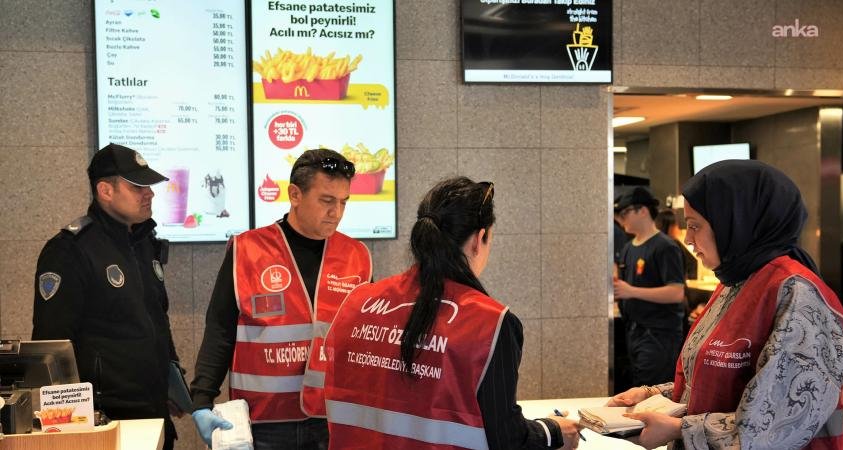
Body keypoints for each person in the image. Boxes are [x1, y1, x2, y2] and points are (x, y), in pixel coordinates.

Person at [322, 177, 584, 449]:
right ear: (479, 239)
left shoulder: (356, 302)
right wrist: (552, 431)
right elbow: (507, 439)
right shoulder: (490, 324)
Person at [608, 160, 843, 450]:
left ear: (737, 222)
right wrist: (654, 396)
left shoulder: (796, 294)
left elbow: (775, 424)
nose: (687, 238)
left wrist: (679, 429)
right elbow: (719, 383)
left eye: (695, 226)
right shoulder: (736, 282)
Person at [190, 149, 372, 450]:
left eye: (343, 202)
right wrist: (201, 399)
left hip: (331, 420)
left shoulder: (358, 257)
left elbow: (369, 339)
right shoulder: (247, 250)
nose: (336, 212)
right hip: (264, 423)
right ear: (295, 195)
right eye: (327, 201)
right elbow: (220, 329)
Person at [31, 143, 181, 449]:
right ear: (105, 190)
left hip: (153, 413)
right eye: (137, 186)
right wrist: (70, 430)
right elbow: (53, 344)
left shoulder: (143, 242)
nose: (148, 193)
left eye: (149, 186)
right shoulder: (71, 250)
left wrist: (172, 383)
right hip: (105, 421)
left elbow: (156, 320)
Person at [614, 187, 686, 387]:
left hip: (659, 333)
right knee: (637, 386)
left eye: (625, 212)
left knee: (652, 390)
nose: (621, 218)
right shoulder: (629, 248)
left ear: (643, 211)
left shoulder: (665, 247)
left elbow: (676, 292)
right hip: (634, 330)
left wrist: (631, 291)